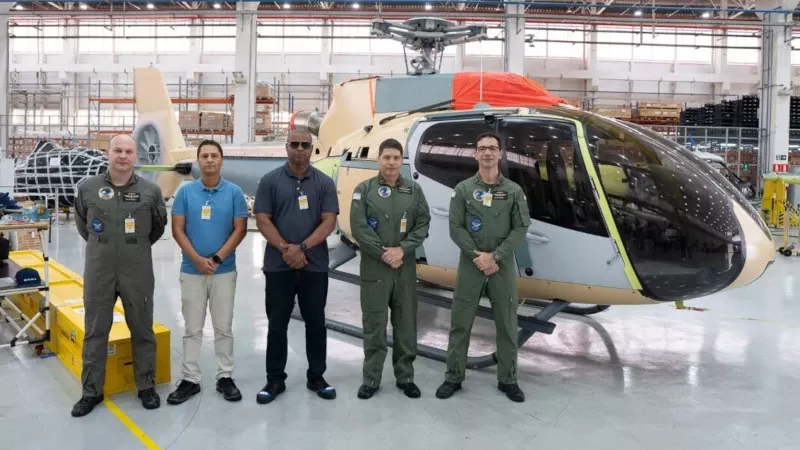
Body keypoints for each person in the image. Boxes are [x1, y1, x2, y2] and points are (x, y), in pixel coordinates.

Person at [71, 134, 168, 417]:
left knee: (142, 328)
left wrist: (132, 249)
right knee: (95, 330)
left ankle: (146, 386)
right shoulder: (88, 189)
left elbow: (157, 228)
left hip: (136, 269)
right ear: (107, 154)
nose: (123, 156)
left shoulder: (151, 191)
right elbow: (83, 226)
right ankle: (91, 391)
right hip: (99, 269)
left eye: (128, 151)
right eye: (117, 150)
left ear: (136, 156)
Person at [435, 131, 531, 403]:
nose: (487, 153)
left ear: (500, 154)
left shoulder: (513, 191)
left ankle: (508, 379)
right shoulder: (463, 190)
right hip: (471, 265)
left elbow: (521, 227)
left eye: (492, 148)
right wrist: (478, 257)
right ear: (475, 154)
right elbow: (456, 227)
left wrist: (496, 256)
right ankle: (453, 376)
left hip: (501, 266)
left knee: (507, 324)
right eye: (482, 148)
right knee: (460, 323)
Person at [252, 129, 339, 404]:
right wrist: (286, 250)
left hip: (314, 266)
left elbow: (329, 221)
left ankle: (317, 377)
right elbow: (263, 219)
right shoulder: (269, 181)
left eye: (305, 145)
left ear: (312, 149)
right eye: (294, 144)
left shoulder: (324, 183)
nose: (299, 149)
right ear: (286, 148)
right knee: (277, 324)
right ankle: (274, 379)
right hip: (278, 267)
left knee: (316, 322)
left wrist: (301, 249)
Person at [167, 140, 249, 405]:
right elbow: (178, 229)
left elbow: (240, 229)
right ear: (198, 161)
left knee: (223, 327)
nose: (210, 160)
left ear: (222, 161)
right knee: (192, 328)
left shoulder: (235, 193)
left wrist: (215, 258)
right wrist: (198, 260)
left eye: (215, 155)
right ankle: (190, 379)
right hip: (191, 271)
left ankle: (225, 376)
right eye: (205, 156)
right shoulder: (185, 193)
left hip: (224, 271)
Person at [349, 138, 431, 400]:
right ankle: (371, 378)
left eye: (396, 158)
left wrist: (403, 250)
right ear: (379, 160)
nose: (392, 162)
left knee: (406, 324)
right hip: (375, 268)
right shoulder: (364, 190)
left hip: (404, 269)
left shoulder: (414, 191)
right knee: (374, 324)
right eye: (387, 157)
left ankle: (405, 376)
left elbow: (423, 224)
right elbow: (359, 227)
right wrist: (385, 254)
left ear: (402, 161)